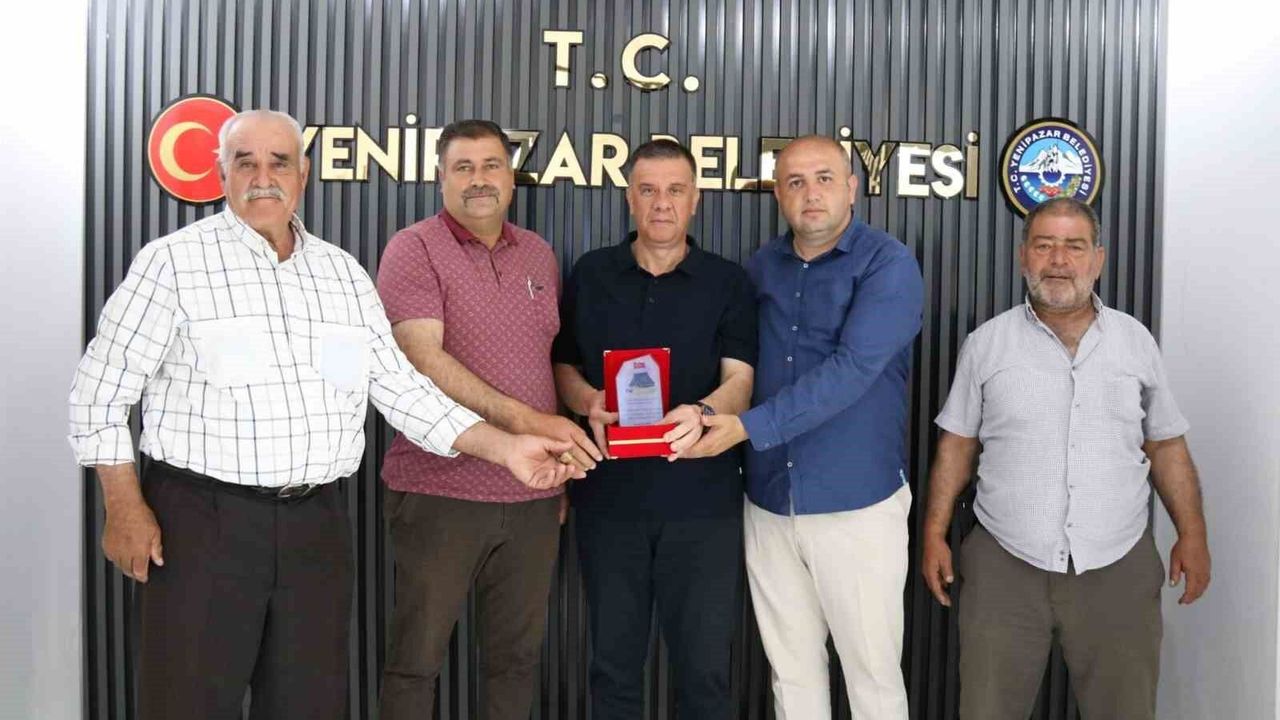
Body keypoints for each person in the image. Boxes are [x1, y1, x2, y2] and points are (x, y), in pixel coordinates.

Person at [67, 109, 581, 720]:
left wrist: (508, 448)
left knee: (309, 703)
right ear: (221, 172)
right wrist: (123, 504)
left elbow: (402, 390)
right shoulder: (173, 263)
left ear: (304, 173)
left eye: (279, 162)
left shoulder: (341, 275)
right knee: (188, 701)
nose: (264, 177)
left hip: (317, 526)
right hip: (202, 523)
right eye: (246, 162)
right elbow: (99, 392)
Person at [920, 196, 1211, 720]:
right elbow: (957, 443)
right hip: (1004, 565)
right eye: (1044, 245)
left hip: (1117, 565)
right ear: (1022, 256)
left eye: (1074, 247)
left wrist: (1192, 535)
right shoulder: (986, 344)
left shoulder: (1135, 343)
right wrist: (934, 533)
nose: (1058, 260)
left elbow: (1166, 443)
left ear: (1097, 260)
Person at [688, 135, 923, 719]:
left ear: (852, 188)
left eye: (824, 179)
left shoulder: (887, 263)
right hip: (769, 499)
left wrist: (746, 428)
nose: (810, 193)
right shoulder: (761, 267)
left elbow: (853, 370)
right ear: (778, 195)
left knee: (872, 677)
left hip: (855, 503)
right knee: (791, 677)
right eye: (794, 182)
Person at [375, 119, 603, 720]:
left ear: (511, 176)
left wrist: (557, 461)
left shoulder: (538, 254)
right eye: (464, 167)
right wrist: (525, 424)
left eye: (491, 165)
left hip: (533, 496)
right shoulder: (414, 248)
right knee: (416, 661)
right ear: (441, 178)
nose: (479, 180)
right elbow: (421, 357)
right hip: (439, 490)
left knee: (515, 661)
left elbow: (544, 363)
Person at [551, 139, 757, 719]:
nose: (661, 203)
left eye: (674, 190)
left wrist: (703, 413)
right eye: (647, 190)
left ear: (695, 199)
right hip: (609, 501)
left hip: (702, 504)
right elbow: (563, 364)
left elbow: (740, 380)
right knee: (613, 669)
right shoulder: (592, 274)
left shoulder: (728, 282)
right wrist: (587, 400)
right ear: (629, 198)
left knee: (705, 672)